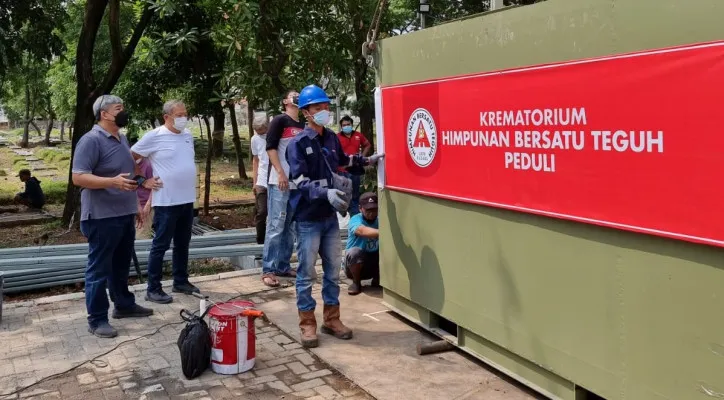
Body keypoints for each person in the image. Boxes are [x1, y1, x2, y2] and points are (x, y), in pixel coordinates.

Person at [287, 84, 384, 348]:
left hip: (329, 218)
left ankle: (332, 319)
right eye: (318, 108)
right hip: (308, 219)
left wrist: (368, 160)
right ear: (306, 112)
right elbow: (299, 180)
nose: (324, 112)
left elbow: (343, 159)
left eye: (326, 107)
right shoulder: (297, 144)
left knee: (332, 272)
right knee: (306, 274)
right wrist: (325, 192)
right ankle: (308, 324)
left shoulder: (330, 137)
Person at [71, 94, 158, 338]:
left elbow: (131, 171)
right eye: (119, 108)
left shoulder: (120, 138)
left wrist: (143, 183)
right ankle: (97, 319)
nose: (123, 112)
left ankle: (124, 304)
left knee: (120, 265)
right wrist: (111, 182)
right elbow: (78, 177)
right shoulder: (90, 141)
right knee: (99, 269)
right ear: (105, 114)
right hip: (101, 216)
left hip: (124, 213)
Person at [131, 100, 199, 304]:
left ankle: (180, 280)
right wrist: (143, 181)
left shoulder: (187, 136)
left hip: (187, 200)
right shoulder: (155, 136)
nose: (183, 118)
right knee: (160, 246)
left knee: (182, 244)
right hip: (166, 202)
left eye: (185, 114)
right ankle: (153, 288)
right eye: (179, 115)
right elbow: (130, 157)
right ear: (166, 117)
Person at [262, 90, 305, 287]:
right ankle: (268, 269)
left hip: (297, 182)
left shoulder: (302, 125)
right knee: (276, 225)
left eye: (299, 95)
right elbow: (270, 148)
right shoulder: (279, 121)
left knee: (290, 226)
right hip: (279, 181)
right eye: (293, 95)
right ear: (285, 101)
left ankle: (283, 265)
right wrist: (280, 172)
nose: (296, 98)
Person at [344, 192, 380, 295]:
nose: (372, 213)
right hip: (355, 265)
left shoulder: (380, 220)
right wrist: (383, 232)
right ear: (360, 208)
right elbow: (361, 231)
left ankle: (378, 279)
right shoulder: (355, 219)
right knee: (354, 252)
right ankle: (356, 283)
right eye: (368, 210)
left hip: (373, 262)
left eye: (374, 209)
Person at [336, 116, 371, 216]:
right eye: (344, 125)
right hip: (342, 171)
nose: (346, 126)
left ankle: (354, 216)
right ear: (341, 127)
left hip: (355, 170)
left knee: (355, 194)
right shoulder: (337, 137)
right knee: (343, 194)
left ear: (352, 125)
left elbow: (367, 145)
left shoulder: (358, 135)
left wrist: (362, 157)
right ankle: (343, 210)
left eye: (348, 124)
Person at [251, 114, 270, 244]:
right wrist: (255, 182)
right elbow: (256, 160)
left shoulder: (275, 136)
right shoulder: (255, 139)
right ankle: (260, 241)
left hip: (276, 179)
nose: (260, 134)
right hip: (262, 180)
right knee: (262, 212)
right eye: (258, 132)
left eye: (262, 132)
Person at [135, 158, 154, 239]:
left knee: (141, 237)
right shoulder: (124, 164)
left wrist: (148, 205)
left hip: (144, 207)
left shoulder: (148, 165)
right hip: (131, 207)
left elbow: (155, 186)